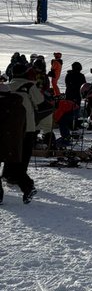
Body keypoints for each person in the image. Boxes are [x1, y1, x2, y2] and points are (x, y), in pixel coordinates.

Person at [1, 63, 42, 202]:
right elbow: (40, 101)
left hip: (5, 127)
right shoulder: (30, 86)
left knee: (8, 151)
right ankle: (22, 181)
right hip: (27, 125)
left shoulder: (6, 86)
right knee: (22, 154)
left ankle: (9, 176)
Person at [0, 86, 28, 204]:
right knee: (12, 167)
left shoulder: (1, 106)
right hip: (13, 142)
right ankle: (27, 187)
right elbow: (24, 126)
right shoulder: (19, 106)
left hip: (1, 139)